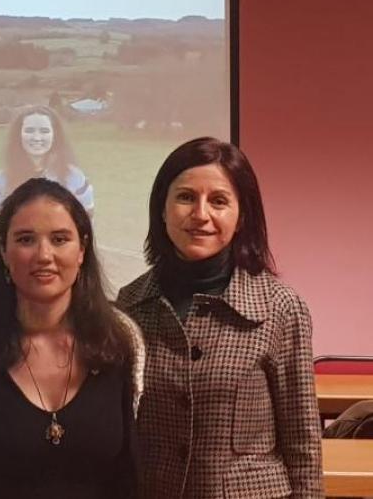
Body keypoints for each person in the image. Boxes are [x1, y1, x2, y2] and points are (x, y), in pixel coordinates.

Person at [116, 137, 323, 498]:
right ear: (161, 210)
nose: (200, 214)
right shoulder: (130, 306)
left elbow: (303, 443)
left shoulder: (280, 308)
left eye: (219, 201)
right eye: (185, 197)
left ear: (241, 215)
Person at [0, 177, 143, 499]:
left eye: (60, 239)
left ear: (82, 249)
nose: (43, 255)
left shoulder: (116, 346)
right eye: (26, 239)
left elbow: (126, 476)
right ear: (3, 250)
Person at [0, 105, 94, 216]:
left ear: (55, 136)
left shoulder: (75, 179)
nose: (37, 138)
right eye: (29, 131)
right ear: (18, 135)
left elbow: (86, 225)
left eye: (44, 131)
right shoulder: (1, 180)